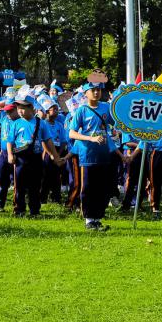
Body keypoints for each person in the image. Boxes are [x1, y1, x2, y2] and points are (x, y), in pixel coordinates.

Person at [66, 83, 116, 231]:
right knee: (88, 188)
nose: (96, 93)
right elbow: (72, 133)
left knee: (102, 188)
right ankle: (89, 219)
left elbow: (116, 123)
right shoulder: (82, 110)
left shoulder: (106, 107)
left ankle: (98, 219)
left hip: (104, 155)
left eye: (98, 90)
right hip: (87, 156)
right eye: (92, 90)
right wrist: (91, 138)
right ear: (86, 93)